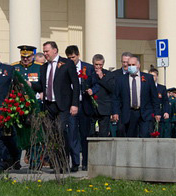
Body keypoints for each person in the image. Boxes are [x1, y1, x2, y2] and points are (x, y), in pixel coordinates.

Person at [33, 41, 80, 171]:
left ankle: (64, 164)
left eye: (47, 51)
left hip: (63, 105)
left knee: (61, 132)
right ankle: (56, 163)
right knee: (51, 134)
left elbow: (76, 85)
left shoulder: (67, 64)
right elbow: (42, 86)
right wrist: (29, 85)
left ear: (55, 50)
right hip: (48, 106)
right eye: (44, 51)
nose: (45, 54)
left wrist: (74, 104)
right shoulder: (43, 67)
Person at [115, 55, 155, 138]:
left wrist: (157, 112)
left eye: (133, 65)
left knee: (145, 134)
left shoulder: (148, 78)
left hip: (144, 112)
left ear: (138, 65)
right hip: (130, 112)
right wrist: (115, 112)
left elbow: (154, 96)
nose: (130, 67)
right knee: (131, 136)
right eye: (129, 65)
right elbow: (116, 97)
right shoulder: (121, 79)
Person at [66, 45, 93, 167]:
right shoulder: (65, 67)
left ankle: (86, 162)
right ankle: (75, 163)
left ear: (78, 55)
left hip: (84, 105)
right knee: (72, 134)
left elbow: (95, 83)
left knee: (85, 135)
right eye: (69, 57)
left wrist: (92, 90)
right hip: (71, 105)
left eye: (73, 57)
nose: (72, 60)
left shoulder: (88, 68)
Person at [85, 53, 118, 138]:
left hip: (104, 108)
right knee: (90, 133)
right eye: (96, 64)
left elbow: (111, 89)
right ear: (93, 63)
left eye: (100, 65)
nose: (98, 67)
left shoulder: (109, 74)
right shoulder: (88, 73)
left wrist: (101, 78)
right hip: (91, 109)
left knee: (103, 134)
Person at [149, 68, 170, 138]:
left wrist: (166, 112)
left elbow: (165, 101)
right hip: (149, 114)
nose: (152, 78)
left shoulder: (162, 88)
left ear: (157, 76)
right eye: (150, 76)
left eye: (154, 76)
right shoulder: (146, 87)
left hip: (159, 115)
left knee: (159, 133)